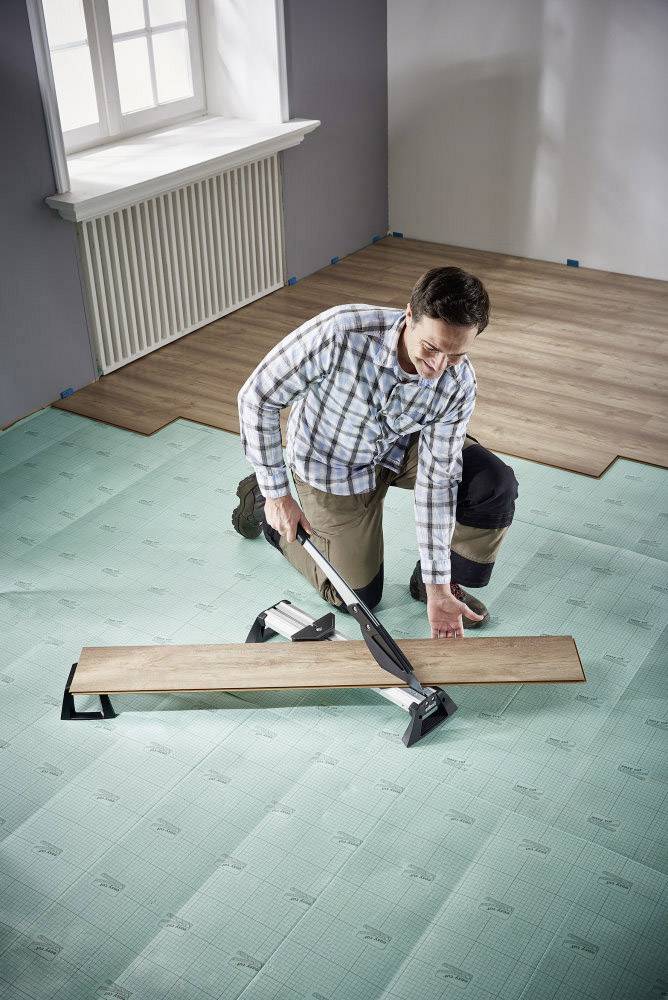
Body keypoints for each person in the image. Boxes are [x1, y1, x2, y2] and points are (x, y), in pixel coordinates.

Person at [233, 266, 518, 639]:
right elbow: (257, 398)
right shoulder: (340, 333)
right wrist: (276, 492)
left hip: (403, 446)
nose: (437, 368)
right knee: (357, 596)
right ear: (409, 316)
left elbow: (438, 481)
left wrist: (438, 585)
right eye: (431, 348)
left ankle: (441, 585)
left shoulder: (457, 383)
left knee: (491, 484)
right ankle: (263, 508)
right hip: (332, 463)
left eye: (455, 355)